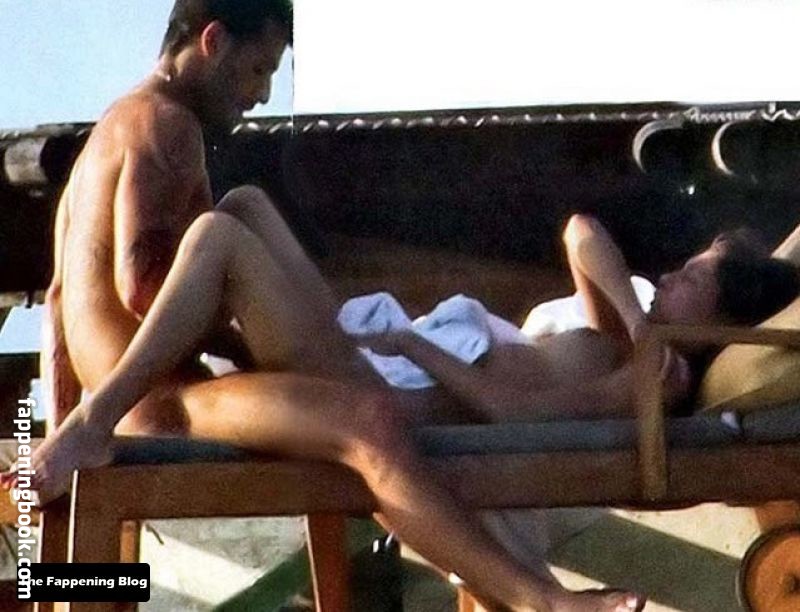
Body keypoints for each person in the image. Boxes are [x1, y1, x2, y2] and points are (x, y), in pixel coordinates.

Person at [1, 1, 649, 610]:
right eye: (259, 70)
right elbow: (143, 289)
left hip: (136, 395)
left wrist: (50, 443)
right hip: (162, 404)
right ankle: (542, 599)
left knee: (244, 207)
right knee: (365, 416)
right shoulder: (167, 125)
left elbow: (60, 306)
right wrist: (99, 422)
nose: (259, 96)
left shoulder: (109, 132)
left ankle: (325, 358)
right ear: (213, 42)